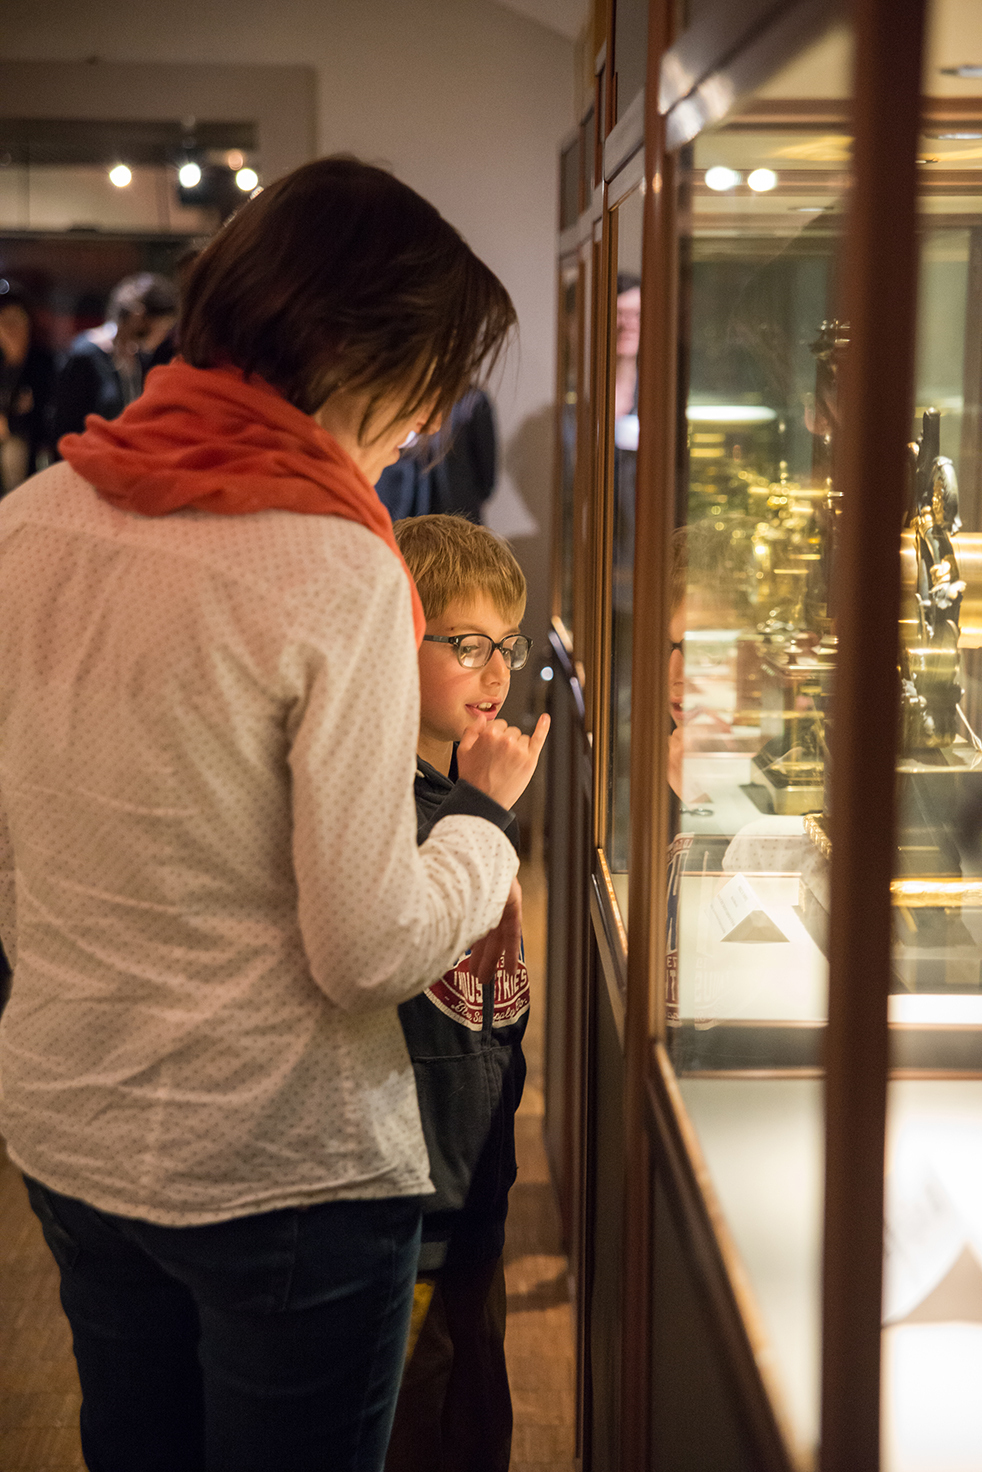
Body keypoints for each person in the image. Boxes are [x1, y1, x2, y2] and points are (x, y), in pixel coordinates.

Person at [0, 156, 547, 1472]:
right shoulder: (330, 563)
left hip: (69, 1121)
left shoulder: (36, 516)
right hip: (271, 1163)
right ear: (355, 349)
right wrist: (480, 827)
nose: (422, 424)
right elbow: (366, 948)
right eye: (423, 379)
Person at [384, 515, 546, 1472]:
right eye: (468, 645)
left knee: (474, 1427)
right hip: (411, 1215)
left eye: (507, 647)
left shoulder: (458, 806)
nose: (498, 674)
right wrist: (482, 810)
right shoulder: (397, 811)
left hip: (474, 1198)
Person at [51, 271, 178, 442]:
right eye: (162, 326)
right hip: (90, 457)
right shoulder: (85, 354)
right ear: (138, 316)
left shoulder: (140, 358)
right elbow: (66, 425)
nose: (163, 336)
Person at [376, 387, 498, 523]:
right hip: (452, 521)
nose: (434, 425)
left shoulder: (471, 401)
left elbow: (486, 482)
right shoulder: (471, 400)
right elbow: (486, 481)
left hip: (450, 524)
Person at [0, 284, 55, 493]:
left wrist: (11, 424)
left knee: (15, 449)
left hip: (31, 463)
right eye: (4, 322)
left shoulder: (44, 364)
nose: (10, 329)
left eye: (16, 321)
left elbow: (45, 419)